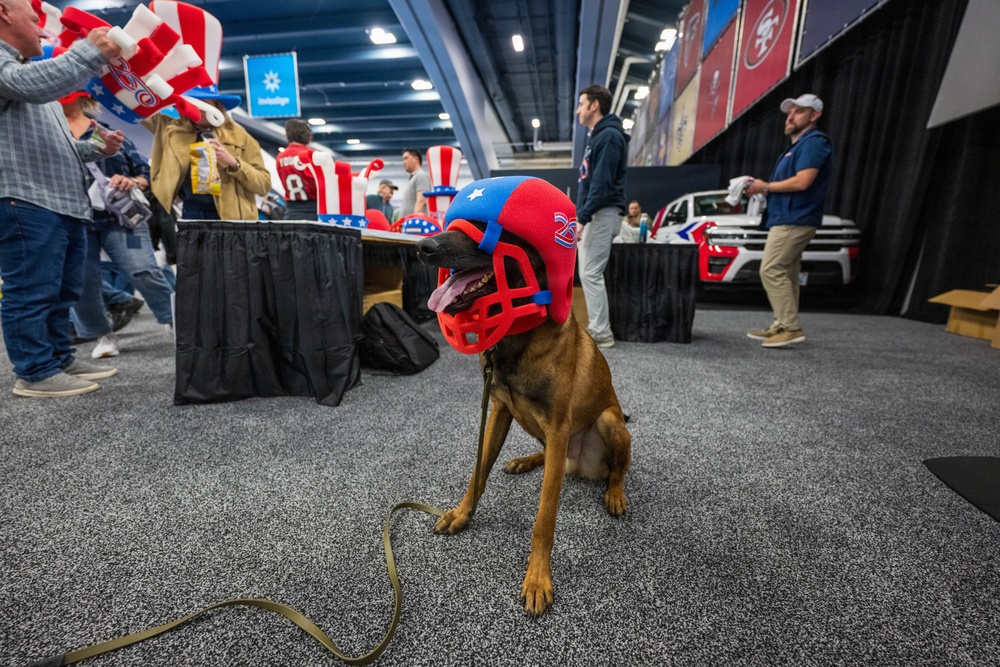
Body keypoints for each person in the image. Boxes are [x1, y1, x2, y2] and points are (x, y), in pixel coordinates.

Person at [0, 0, 124, 397]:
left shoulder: (24, 72)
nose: (41, 30)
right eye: (35, 19)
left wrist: (94, 150)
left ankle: (57, 356)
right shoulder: (18, 75)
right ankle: (34, 371)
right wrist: (89, 52)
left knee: (62, 290)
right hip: (25, 198)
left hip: (58, 200)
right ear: (4, 11)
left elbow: (59, 144)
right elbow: (30, 85)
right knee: (32, 289)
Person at [61, 91, 175, 358]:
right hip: (73, 218)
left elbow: (143, 173)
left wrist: (132, 181)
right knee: (82, 282)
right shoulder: (48, 133)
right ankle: (103, 334)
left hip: (120, 216)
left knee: (143, 270)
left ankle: (176, 319)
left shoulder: (108, 132)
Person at [745, 93, 833, 348]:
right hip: (789, 216)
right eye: (789, 112)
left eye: (799, 112)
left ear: (814, 115)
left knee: (770, 269)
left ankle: (790, 327)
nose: (791, 117)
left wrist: (765, 187)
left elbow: (803, 181)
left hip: (795, 218)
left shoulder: (814, 142)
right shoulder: (798, 146)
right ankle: (782, 324)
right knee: (787, 273)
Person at [143, 85, 270, 221]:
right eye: (194, 104)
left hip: (232, 218)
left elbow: (263, 184)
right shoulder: (173, 131)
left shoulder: (240, 137)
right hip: (190, 213)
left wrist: (234, 163)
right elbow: (141, 108)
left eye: (205, 103)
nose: (200, 109)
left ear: (216, 106)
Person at [575, 84, 628, 348]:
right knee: (588, 273)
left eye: (581, 104)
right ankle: (599, 327)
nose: (578, 111)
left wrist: (583, 218)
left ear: (594, 105)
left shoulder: (608, 136)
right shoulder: (599, 136)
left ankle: (602, 332)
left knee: (591, 272)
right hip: (596, 212)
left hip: (601, 212)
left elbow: (601, 183)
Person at [277, 118, 318, 219]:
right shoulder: (312, 155)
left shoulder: (280, 157)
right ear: (308, 136)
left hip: (291, 212)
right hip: (313, 211)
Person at [398, 148, 430, 217]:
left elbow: (421, 201)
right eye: (403, 159)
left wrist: (413, 221)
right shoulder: (413, 178)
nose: (404, 162)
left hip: (413, 225)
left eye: (406, 158)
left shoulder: (421, 176)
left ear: (415, 159)